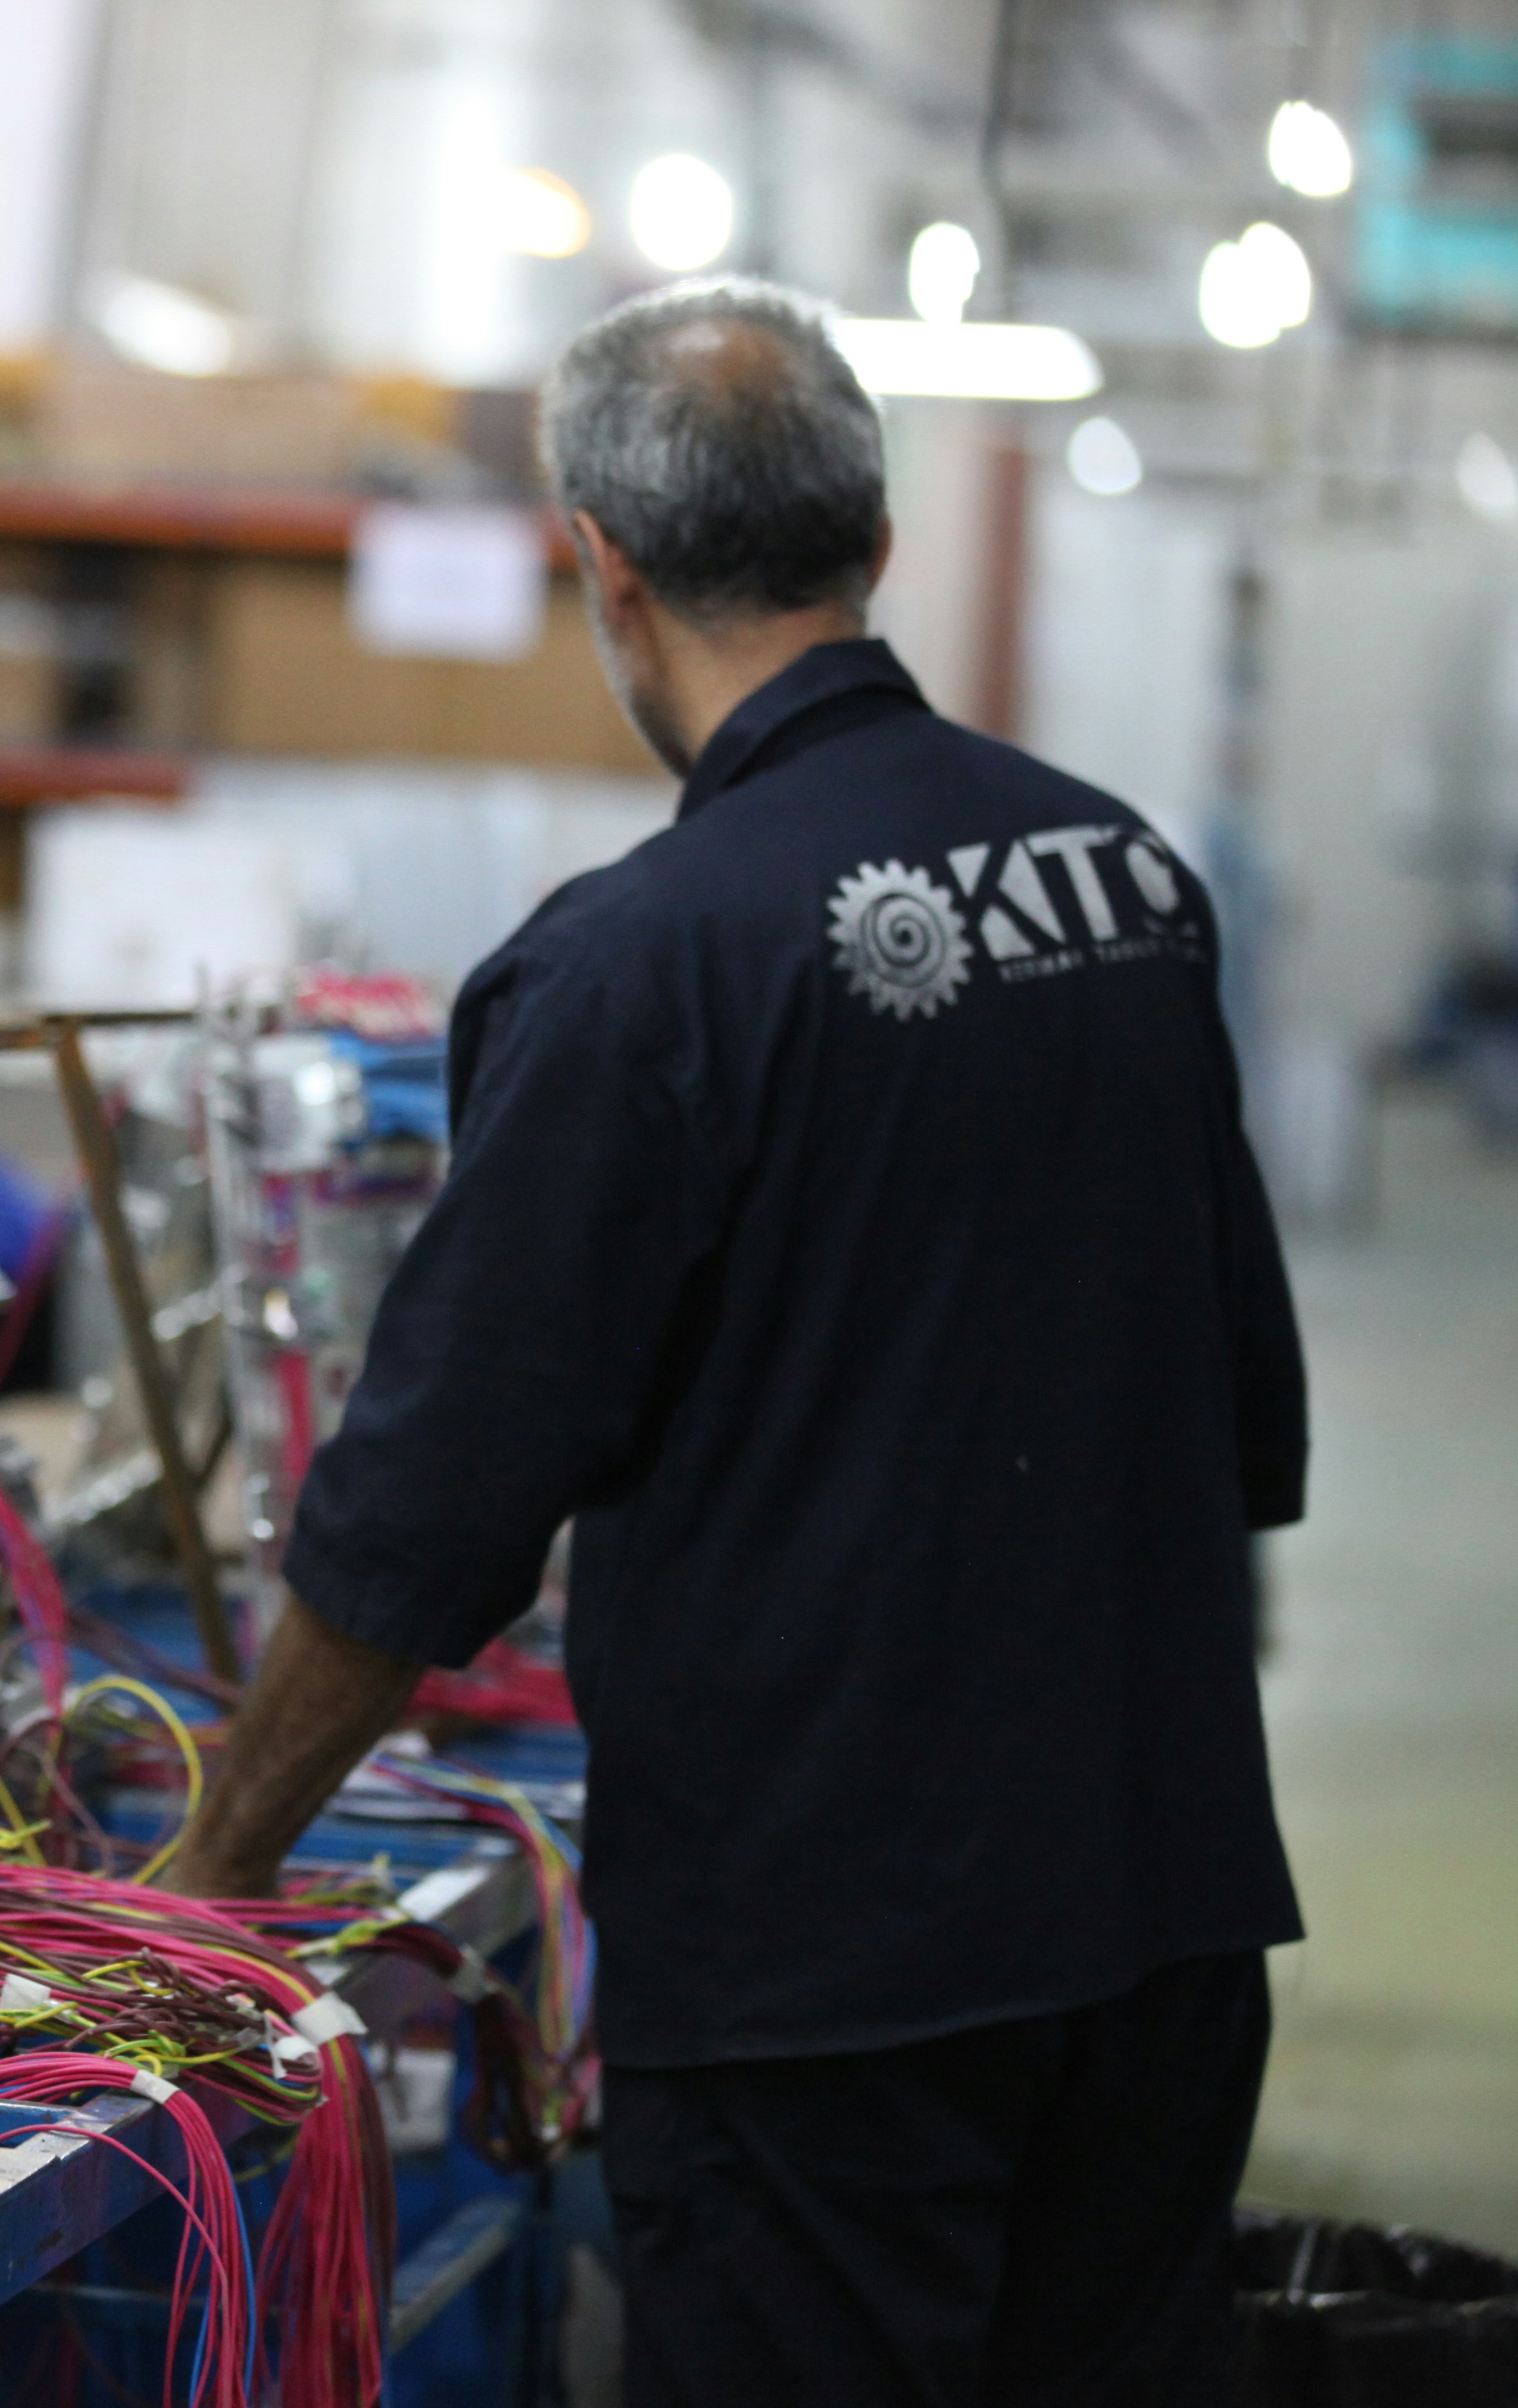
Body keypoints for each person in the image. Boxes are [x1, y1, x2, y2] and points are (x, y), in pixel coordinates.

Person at [170, 281, 1303, 2405]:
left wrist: (221, 1857)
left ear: (600, 567)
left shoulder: (634, 968)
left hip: (829, 1989)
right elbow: (1232, 1407)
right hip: (1156, 1919)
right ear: (869, 545)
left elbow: (423, 1509)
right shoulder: (1120, 881)